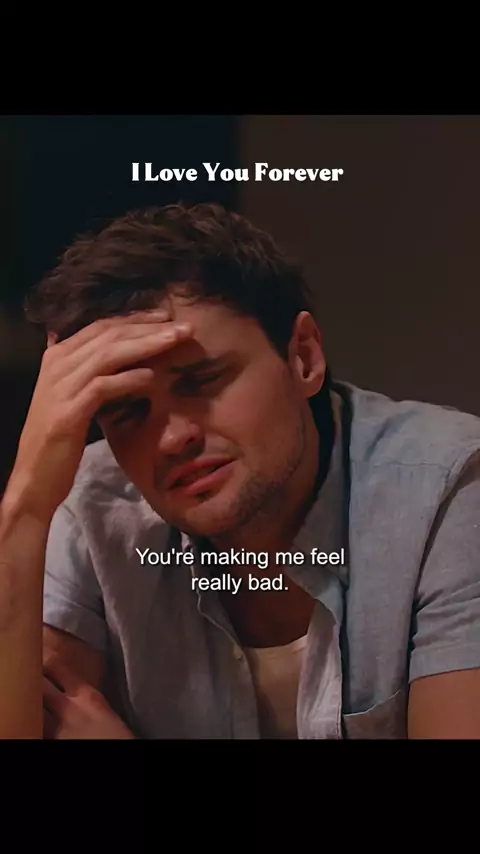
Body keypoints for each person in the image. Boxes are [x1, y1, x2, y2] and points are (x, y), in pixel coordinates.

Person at [1, 202, 479, 739]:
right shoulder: (93, 503)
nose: (172, 438)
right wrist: (25, 507)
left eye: (202, 381)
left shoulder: (447, 486)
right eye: (128, 411)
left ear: (303, 357)